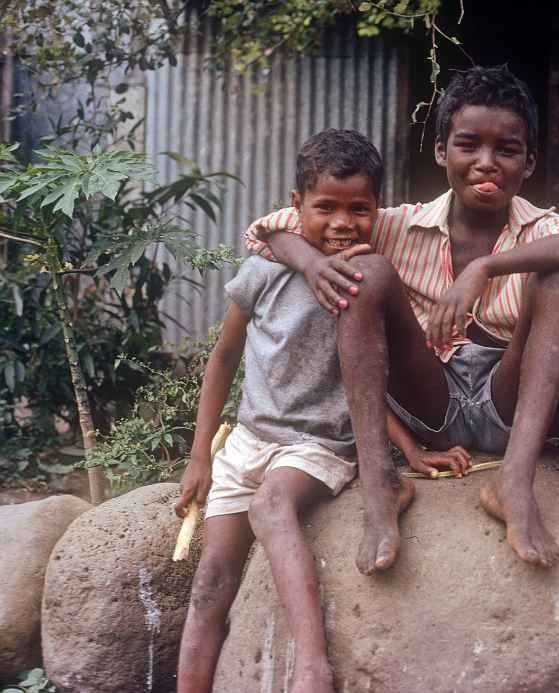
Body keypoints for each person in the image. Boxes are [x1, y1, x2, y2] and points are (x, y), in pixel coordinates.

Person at [243, 65, 559, 571]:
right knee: (365, 269)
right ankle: (380, 485)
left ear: (529, 162)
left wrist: (487, 266)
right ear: (441, 151)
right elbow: (266, 230)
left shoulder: (541, 229)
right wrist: (311, 260)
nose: (486, 163)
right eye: (468, 145)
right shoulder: (398, 226)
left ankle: (514, 484)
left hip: (510, 402)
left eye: (507, 150)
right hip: (429, 401)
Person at [174, 129, 470, 693]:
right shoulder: (261, 274)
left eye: (359, 209)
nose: (342, 222)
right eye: (325, 207)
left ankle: (313, 667)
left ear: (377, 211)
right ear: (295, 208)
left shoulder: (363, 283)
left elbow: (364, 386)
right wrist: (199, 458)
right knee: (210, 579)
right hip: (247, 443)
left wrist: (409, 451)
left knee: (272, 505)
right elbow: (222, 360)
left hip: (318, 446)